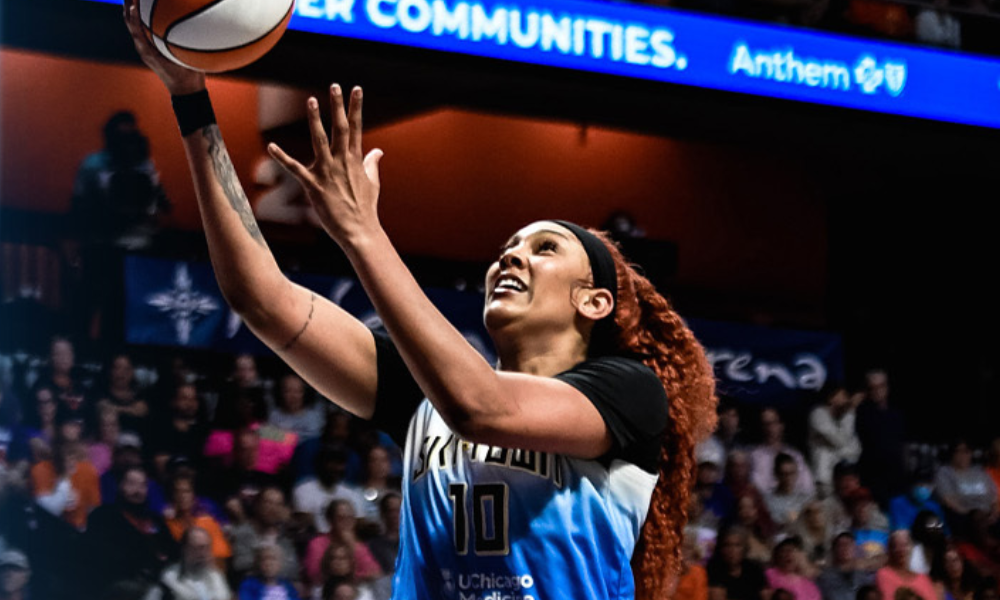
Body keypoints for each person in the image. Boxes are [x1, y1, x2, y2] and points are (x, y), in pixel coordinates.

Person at [123, 8, 718, 599]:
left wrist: (364, 234)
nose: (510, 258)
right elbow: (261, 299)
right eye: (507, 248)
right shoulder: (426, 398)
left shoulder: (629, 391)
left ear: (593, 302)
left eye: (544, 249)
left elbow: (483, 410)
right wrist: (191, 98)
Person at [86, 465, 180, 594]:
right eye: (131, 484)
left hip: (159, 578)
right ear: (121, 486)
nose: (138, 491)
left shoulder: (155, 519)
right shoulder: (104, 515)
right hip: (121, 582)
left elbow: (173, 550)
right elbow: (102, 556)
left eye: (142, 485)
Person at [228, 487, 301, 586]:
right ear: (257, 506)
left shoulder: (285, 537)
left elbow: (293, 570)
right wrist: (271, 562)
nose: (273, 509)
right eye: (268, 503)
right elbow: (241, 565)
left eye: (278, 504)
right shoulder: (243, 533)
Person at [856, 370, 906, 506]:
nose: (877, 391)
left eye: (881, 386)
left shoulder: (896, 414)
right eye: (872, 387)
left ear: (887, 387)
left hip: (897, 477)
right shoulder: (861, 413)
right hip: (873, 478)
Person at [293, 445, 366, 534]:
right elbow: (306, 525)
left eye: (340, 463)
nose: (336, 468)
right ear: (320, 464)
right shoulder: (303, 490)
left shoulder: (353, 493)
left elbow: (360, 523)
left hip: (347, 541)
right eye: (332, 463)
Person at [143, 527, 230, 600]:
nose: (203, 554)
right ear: (185, 549)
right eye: (198, 548)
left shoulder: (217, 577)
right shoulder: (168, 581)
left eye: (207, 548)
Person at [807, 382, 862, 498]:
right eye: (843, 395)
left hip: (844, 481)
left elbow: (855, 452)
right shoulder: (818, 414)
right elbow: (841, 441)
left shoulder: (843, 419)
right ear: (831, 397)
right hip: (825, 482)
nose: (847, 399)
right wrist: (850, 411)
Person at [935, 441, 1000, 535]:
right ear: (952, 454)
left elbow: (994, 498)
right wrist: (972, 514)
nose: (963, 455)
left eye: (966, 451)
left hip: (987, 515)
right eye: (959, 451)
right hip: (964, 516)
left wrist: (993, 514)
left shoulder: (980, 472)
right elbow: (948, 500)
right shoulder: (944, 473)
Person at [751, 408, 816, 498]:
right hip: (770, 503)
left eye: (773, 423)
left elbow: (808, 485)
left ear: (781, 425)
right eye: (765, 424)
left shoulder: (795, 455)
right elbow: (758, 487)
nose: (769, 428)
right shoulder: (755, 456)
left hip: (796, 502)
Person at [707, 526, 770, 600]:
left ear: (745, 548)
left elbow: (765, 594)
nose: (732, 550)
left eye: (737, 545)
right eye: (727, 545)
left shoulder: (754, 569)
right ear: (720, 548)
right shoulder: (712, 569)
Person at [95, 353, 150, 438]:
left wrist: (116, 409)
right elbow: (102, 407)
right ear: (111, 370)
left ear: (132, 372)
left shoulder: (140, 393)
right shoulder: (101, 392)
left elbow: (142, 410)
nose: (121, 373)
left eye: (126, 369)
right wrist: (130, 410)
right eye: (117, 368)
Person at [876, 531, 937, 600]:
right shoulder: (883, 575)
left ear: (911, 548)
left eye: (904, 545)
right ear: (890, 550)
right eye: (896, 545)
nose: (901, 550)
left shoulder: (923, 579)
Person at [268, 372, 326, 442]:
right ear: (281, 393)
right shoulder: (274, 417)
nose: (293, 396)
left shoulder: (313, 417)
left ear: (304, 393)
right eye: (288, 391)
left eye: (298, 391)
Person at [816, 532, 875, 600]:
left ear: (855, 548)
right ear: (835, 549)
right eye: (841, 545)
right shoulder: (825, 576)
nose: (845, 548)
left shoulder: (863, 574)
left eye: (849, 544)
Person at [764, 453, 815, 531]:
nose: (788, 478)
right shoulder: (768, 500)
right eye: (784, 474)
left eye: (792, 473)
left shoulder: (806, 498)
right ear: (776, 474)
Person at [890, 468, 947, 534]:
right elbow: (899, 530)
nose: (923, 488)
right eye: (920, 484)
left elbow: (943, 532)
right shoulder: (897, 503)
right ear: (912, 485)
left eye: (928, 485)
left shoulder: (934, 506)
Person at [236, 543, 300, 600]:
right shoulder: (249, 586)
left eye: (273, 559)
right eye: (264, 559)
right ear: (258, 563)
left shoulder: (288, 586)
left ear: (280, 564)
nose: (268, 563)